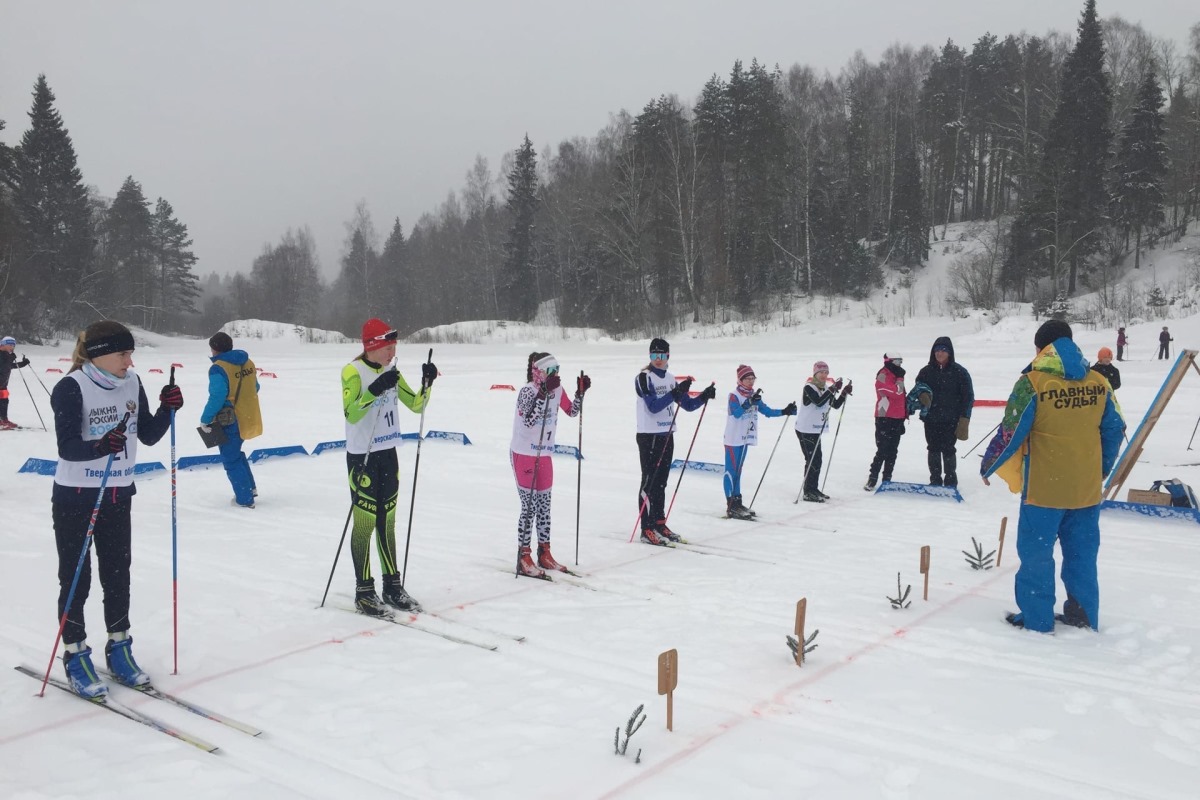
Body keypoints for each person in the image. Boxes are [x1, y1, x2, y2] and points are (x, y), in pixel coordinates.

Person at [50, 320, 183, 697]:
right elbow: (67, 447)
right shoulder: (70, 387)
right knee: (77, 579)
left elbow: (149, 434)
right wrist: (100, 446)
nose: (130, 360)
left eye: (131, 353)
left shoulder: (132, 382)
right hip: (76, 497)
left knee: (117, 574)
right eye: (123, 353)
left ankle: (119, 648)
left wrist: (168, 408)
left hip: (117, 495)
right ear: (100, 354)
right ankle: (76, 653)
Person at [980, 320, 1124, 633]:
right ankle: (1083, 615)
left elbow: (1011, 431)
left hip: (1044, 491)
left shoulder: (1032, 382)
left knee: (1037, 557)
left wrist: (988, 464)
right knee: (1082, 556)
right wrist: (1101, 468)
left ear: (1040, 348)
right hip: (1085, 491)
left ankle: (1037, 621)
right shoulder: (1099, 381)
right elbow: (1115, 428)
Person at [341, 318, 436, 617]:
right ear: (372, 347)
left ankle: (392, 586)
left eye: (394, 346)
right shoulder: (352, 371)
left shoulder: (392, 370)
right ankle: (364, 591)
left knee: (388, 522)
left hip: (388, 453)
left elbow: (417, 405)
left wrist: (427, 383)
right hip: (363, 458)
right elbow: (351, 413)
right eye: (387, 346)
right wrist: (374, 390)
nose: (392, 351)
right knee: (365, 524)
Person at [510, 352, 589, 577]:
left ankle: (544, 553)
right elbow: (528, 418)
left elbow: (572, 412)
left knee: (544, 506)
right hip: (524, 454)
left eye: (558, 370)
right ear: (539, 372)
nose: (556, 375)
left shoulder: (556, 390)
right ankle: (523, 556)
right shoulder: (527, 391)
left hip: (545, 455)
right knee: (529, 507)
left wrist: (580, 393)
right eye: (551, 371)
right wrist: (543, 393)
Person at [634, 337, 716, 545]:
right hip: (649, 435)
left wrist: (704, 396)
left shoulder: (670, 378)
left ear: (668, 356)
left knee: (661, 482)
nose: (658, 360)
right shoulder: (644, 377)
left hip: (667, 434)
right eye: (654, 355)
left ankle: (659, 522)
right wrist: (675, 392)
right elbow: (653, 406)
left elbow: (687, 405)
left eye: (662, 355)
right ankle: (646, 528)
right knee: (649, 482)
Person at [723, 364, 794, 519]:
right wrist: (749, 403)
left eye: (752, 378)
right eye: (747, 379)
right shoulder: (734, 395)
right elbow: (736, 413)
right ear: (740, 380)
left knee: (739, 472)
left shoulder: (753, 395)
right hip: (733, 439)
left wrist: (784, 411)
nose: (751, 382)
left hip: (745, 439)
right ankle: (730, 505)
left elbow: (766, 411)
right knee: (731, 471)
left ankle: (737, 501)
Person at [199, 332, 262, 508]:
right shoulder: (247, 362)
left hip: (230, 419)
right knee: (236, 453)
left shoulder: (219, 368)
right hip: (248, 414)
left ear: (214, 349)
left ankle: (244, 499)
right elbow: (255, 386)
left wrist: (206, 419)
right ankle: (250, 488)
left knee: (230, 458)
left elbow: (217, 396)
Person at [915, 337, 974, 487]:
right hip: (931, 419)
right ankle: (935, 480)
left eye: (943, 350)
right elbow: (918, 388)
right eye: (937, 350)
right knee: (933, 449)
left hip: (951, 420)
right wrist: (921, 394)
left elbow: (968, 396)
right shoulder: (926, 372)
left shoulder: (960, 372)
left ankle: (950, 481)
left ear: (949, 353)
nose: (939, 353)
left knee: (948, 450)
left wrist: (965, 418)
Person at [795, 361, 851, 503]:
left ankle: (813, 489)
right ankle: (808, 491)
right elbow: (818, 402)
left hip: (815, 429)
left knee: (817, 459)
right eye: (821, 372)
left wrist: (843, 393)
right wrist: (832, 390)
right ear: (815, 373)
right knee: (812, 459)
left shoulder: (825, 388)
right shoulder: (809, 387)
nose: (824, 375)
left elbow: (835, 405)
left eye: (826, 373)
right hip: (805, 429)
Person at [865, 353, 907, 491]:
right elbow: (896, 392)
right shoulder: (883, 374)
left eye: (901, 361)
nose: (900, 364)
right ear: (889, 361)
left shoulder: (896, 375)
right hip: (884, 417)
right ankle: (873, 478)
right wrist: (900, 379)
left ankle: (887, 478)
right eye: (897, 361)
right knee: (882, 450)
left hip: (897, 417)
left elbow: (902, 397)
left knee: (893, 451)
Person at [0, 335, 31, 429]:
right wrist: (11, 357)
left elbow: (10, 366)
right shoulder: (2, 355)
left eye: (13, 346)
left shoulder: (7, 356)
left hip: (3, 385)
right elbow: (5, 363)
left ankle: (3, 420)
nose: (12, 347)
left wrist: (23, 363)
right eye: (10, 345)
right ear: (3, 345)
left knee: (4, 401)